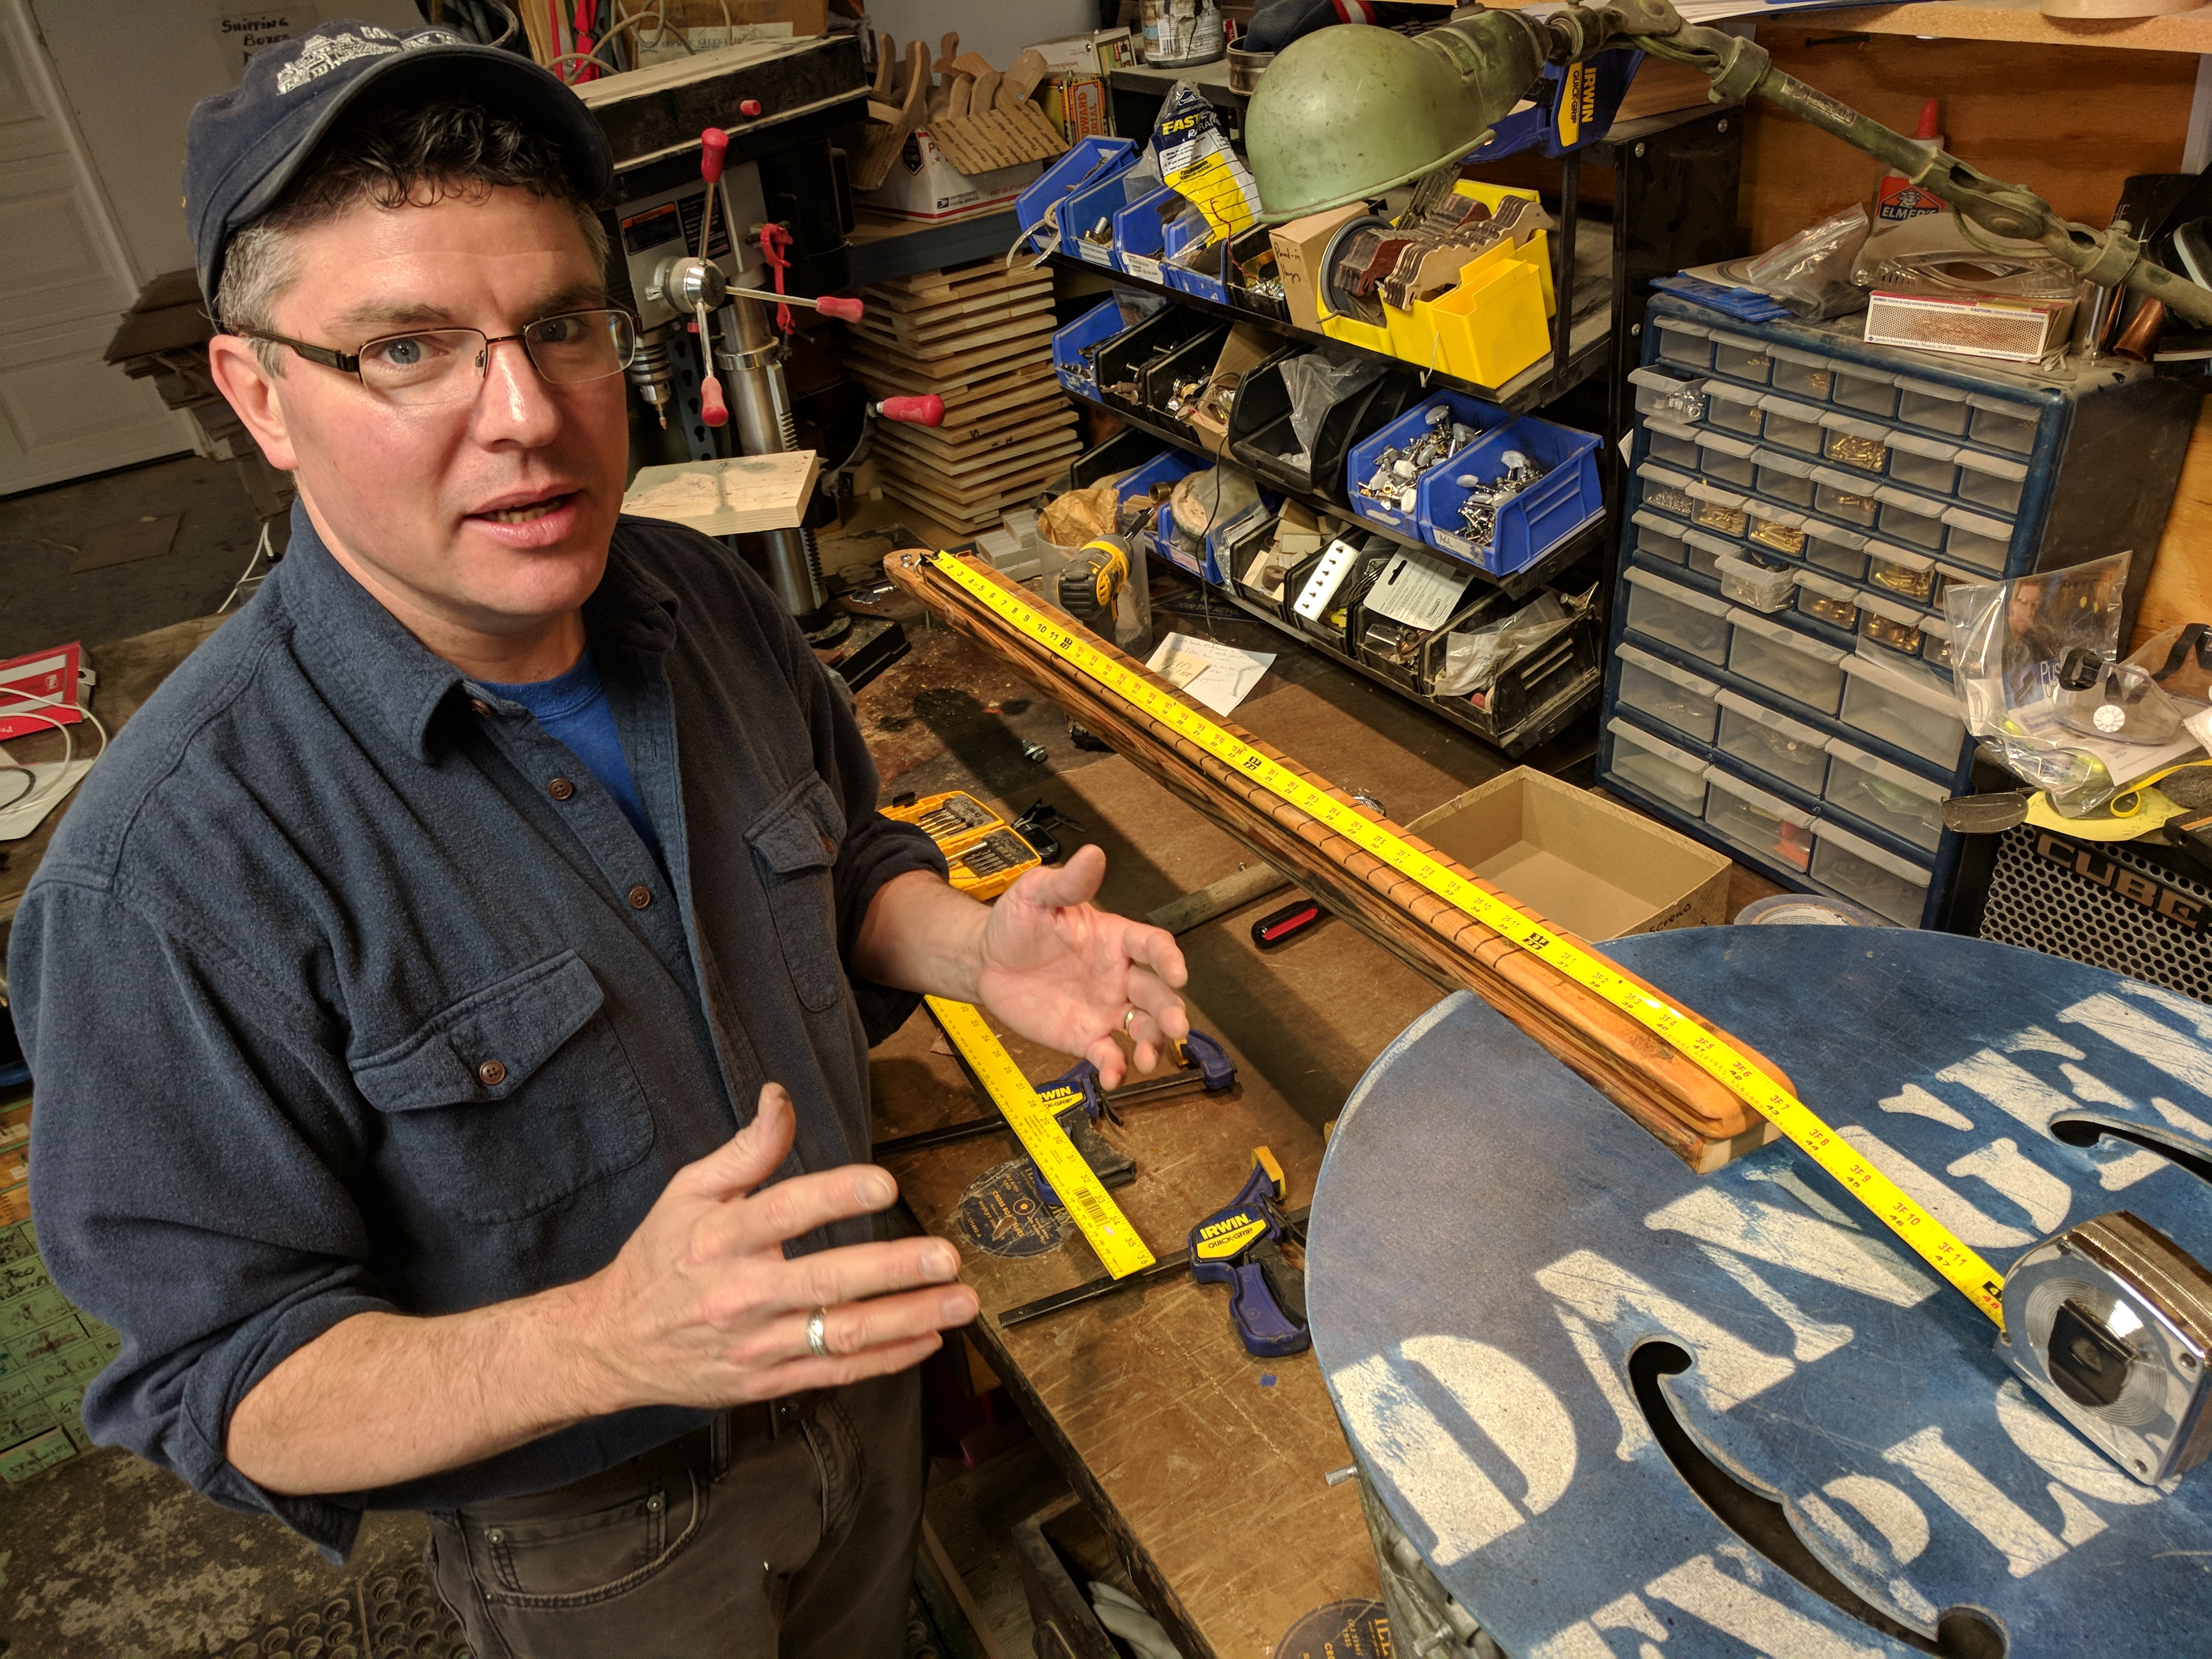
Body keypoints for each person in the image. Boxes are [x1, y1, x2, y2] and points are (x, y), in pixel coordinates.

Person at [6, 21, 1189, 1658]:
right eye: (406, 349)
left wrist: (972, 944)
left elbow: (839, 862)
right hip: (613, 1548)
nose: (527, 418)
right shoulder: (170, 877)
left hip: (869, 1391)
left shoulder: (700, 601)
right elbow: (229, 1378)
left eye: (559, 325)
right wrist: (608, 1342)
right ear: (257, 393)